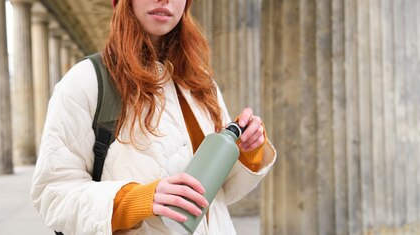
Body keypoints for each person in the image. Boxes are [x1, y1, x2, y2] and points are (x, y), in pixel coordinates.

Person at [30, 0, 276, 234]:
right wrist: (140, 199)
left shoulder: (201, 82)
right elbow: (53, 194)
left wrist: (247, 151)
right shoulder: (86, 80)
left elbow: (222, 193)